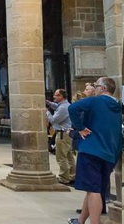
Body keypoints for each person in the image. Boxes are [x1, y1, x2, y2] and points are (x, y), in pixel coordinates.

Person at [67, 77, 122, 224]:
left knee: (93, 190)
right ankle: (80, 221)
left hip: (91, 150)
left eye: (96, 86)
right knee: (93, 189)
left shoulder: (97, 101)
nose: (94, 89)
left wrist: (79, 128)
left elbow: (72, 108)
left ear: (103, 89)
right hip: (109, 153)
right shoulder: (118, 105)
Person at [46, 89, 76, 184]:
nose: (54, 97)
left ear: (61, 96)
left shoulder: (64, 108)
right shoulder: (64, 105)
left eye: (56, 95)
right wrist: (49, 103)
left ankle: (64, 177)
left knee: (61, 157)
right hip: (67, 134)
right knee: (69, 155)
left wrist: (47, 112)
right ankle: (72, 175)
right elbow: (57, 107)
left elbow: (54, 120)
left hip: (62, 134)